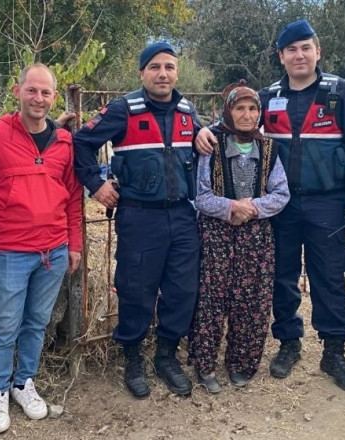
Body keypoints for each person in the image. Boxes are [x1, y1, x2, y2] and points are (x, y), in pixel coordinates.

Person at [197, 19, 345, 391]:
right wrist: (205, 130)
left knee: (328, 276)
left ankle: (334, 350)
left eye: (305, 48)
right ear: (281, 56)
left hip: (327, 201)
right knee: (283, 277)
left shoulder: (339, 92)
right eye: (291, 50)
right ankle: (289, 343)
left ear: (317, 51)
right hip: (281, 206)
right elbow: (234, 119)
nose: (299, 55)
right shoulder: (268, 94)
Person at [73, 41, 201, 399]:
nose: (163, 74)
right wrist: (96, 185)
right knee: (136, 289)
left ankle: (166, 357)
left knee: (181, 291)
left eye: (170, 67)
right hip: (140, 217)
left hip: (182, 215)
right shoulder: (122, 109)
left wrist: (207, 131)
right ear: (142, 72)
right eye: (155, 67)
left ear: (177, 72)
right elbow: (80, 143)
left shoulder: (189, 112)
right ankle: (132, 358)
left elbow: (206, 145)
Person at [0, 64, 83, 433]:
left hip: (54, 251)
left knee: (36, 323)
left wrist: (74, 243)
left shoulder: (64, 142)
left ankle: (23, 382)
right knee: (5, 325)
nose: (38, 98)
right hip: (12, 251)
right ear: (17, 91)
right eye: (32, 90)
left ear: (54, 98)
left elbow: (72, 195)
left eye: (45, 93)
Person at [187, 84, 289, 393]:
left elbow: (281, 193)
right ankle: (204, 365)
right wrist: (231, 207)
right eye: (240, 108)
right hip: (217, 233)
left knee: (252, 301)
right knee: (211, 300)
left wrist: (252, 208)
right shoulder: (212, 145)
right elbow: (201, 195)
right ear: (228, 111)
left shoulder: (269, 149)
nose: (247, 115)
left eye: (253, 109)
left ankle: (241, 364)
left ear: (260, 113)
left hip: (256, 236)